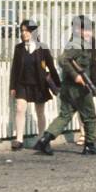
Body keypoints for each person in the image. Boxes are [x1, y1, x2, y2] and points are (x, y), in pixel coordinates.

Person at [34, 14, 96, 156]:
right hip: (78, 88)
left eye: (90, 30)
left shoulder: (84, 43)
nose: (89, 33)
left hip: (71, 87)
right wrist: (76, 76)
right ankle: (89, 144)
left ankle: (45, 140)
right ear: (78, 30)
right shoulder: (76, 44)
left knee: (64, 116)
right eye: (86, 30)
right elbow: (63, 60)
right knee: (90, 116)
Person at [8, 19, 60, 150]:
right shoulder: (18, 48)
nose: (24, 33)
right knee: (20, 109)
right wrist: (12, 87)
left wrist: (58, 85)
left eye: (27, 31)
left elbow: (51, 67)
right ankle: (19, 140)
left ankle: (41, 138)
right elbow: (14, 68)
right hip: (22, 84)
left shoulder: (43, 48)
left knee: (40, 111)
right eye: (22, 31)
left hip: (39, 84)